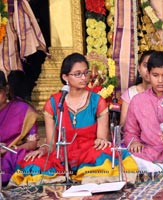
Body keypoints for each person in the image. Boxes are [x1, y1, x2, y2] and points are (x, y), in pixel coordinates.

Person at [10, 53, 137, 185]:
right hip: (62, 154)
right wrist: (43, 149)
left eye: (85, 73)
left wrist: (101, 140)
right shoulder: (54, 103)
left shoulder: (97, 101)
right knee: (33, 165)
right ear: (65, 77)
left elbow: (102, 138)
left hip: (90, 151)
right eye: (77, 74)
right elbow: (51, 144)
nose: (83, 78)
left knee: (106, 162)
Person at [0, 70, 39, 186]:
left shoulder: (23, 110)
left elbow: (32, 144)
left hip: (12, 153)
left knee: (30, 159)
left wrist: (11, 148)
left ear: (6, 90)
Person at [119, 50, 155, 126]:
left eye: (153, 66)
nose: (149, 70)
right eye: (145, 65)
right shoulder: (130, 94)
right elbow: (123, 125)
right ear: (139, 68)